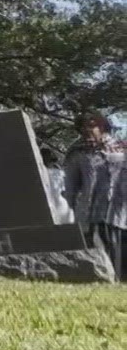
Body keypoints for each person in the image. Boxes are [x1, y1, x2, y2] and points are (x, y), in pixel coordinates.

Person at [62, 111, 125, 281]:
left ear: (103, 126)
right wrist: (73, 205)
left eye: (92, 124)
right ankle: (102, 278)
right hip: (89, 210)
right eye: (84, 125)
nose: (88, 129)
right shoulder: (77, 152)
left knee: (119, 247)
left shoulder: (122, 148)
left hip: (119, 210)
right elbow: (70, 185)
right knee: (94, 246)